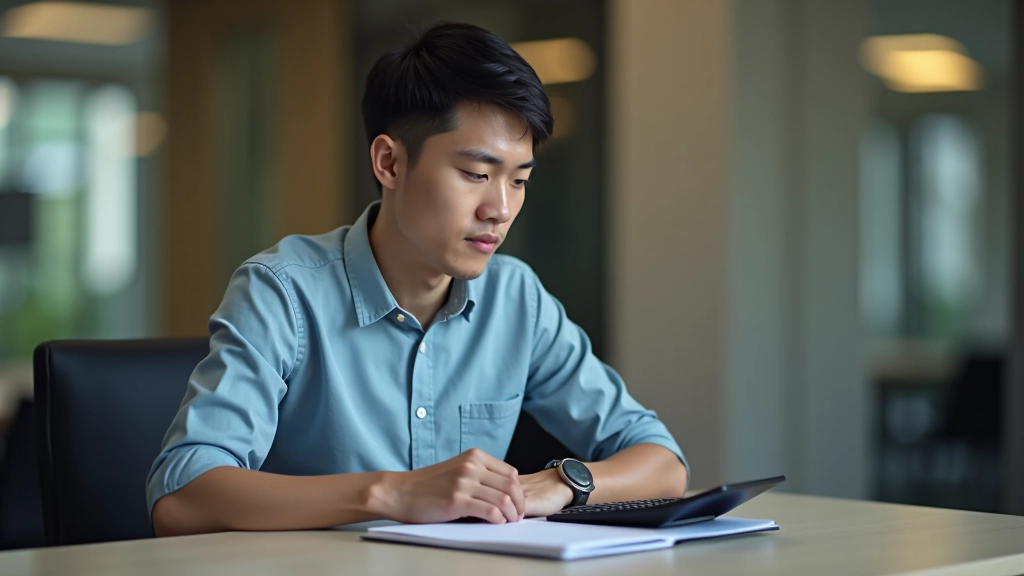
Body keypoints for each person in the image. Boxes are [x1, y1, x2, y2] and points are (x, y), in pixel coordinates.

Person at [148, 21, 688, 536]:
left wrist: (561, 484)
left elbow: (663, 462)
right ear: (389, 163)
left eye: (519, 180)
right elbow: (183, 497)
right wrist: (392, 494)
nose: (500, 209)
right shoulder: (282, 292)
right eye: (476, 174)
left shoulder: (516, 299)